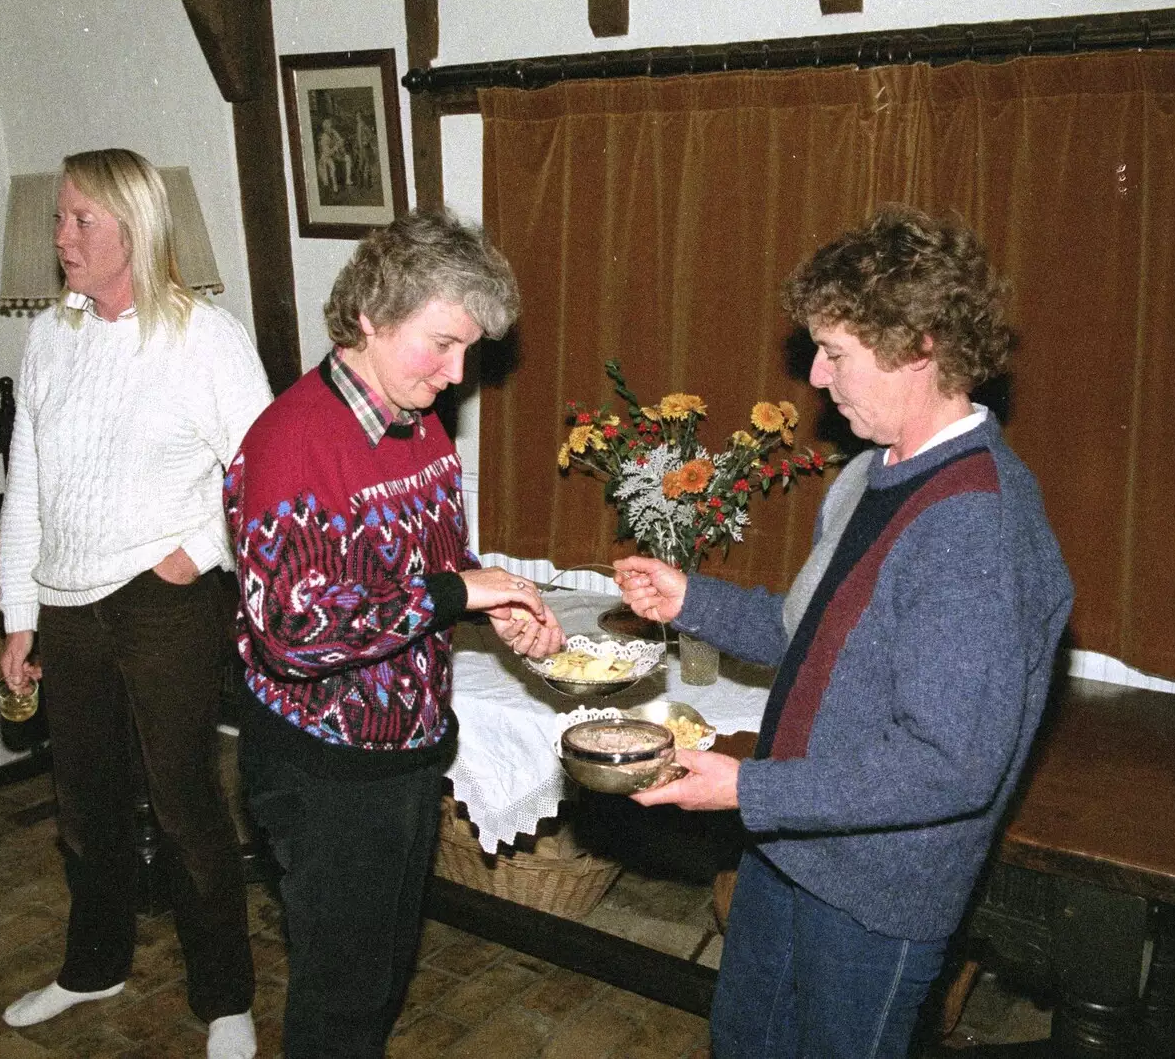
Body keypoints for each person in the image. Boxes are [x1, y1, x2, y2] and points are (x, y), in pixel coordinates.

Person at [613, 206, 1073, 1059]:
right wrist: (691, 601)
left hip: (876, 892)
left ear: (923, 346)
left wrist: (746, 791)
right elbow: (812, 635)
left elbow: (948, 766)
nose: (818, 380)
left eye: (837, 354)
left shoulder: (976, 527)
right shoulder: (871, 473)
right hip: (792, 849)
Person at [224, 209, 565, 1058]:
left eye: (468, 351)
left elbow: (436, 560)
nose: (455, 375)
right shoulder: (294, 442)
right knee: (341, 997)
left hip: (402, 751)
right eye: (441, 344)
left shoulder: (417, 422)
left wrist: (499, 598)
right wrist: (458, 591)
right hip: (324, 767)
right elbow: (293, 632)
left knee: (374, 977)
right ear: (371, 315)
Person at [0, 148, 271, 1058]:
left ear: (135, 230)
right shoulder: (51, 337)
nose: (62, 237)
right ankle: (93, 964)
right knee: (85, 804)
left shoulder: (206, 336)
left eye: (82, 221)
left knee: (185, 802)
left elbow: (264, 479)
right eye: (60, 219)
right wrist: (17, 616)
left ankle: (225, 997)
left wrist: (197, 556)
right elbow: (27, 487)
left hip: (163, 605)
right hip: (65, 604)